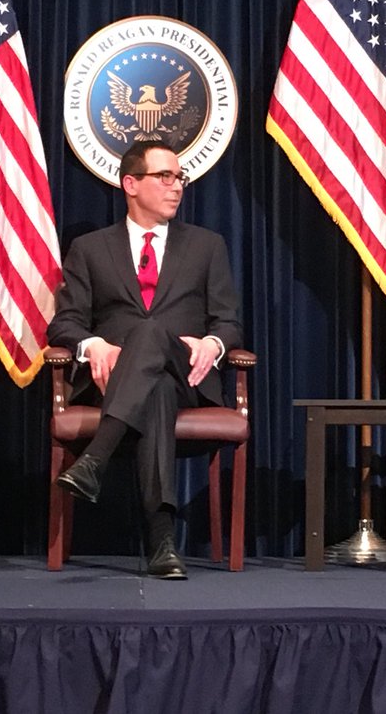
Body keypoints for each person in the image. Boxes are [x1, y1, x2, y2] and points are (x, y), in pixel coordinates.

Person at [48, 140, 242, 579]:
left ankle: (95, 458)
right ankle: (163, 543)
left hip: (188, 376)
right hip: (115, 380)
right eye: (165, 176)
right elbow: (64, 324)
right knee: (154, 390)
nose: (177, 187)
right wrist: (93, 345)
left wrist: (213, 344)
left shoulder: (206, 246)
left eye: (180, 178)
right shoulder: (91, 248)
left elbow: (229, 323)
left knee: (152, 331)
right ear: (130, 184)